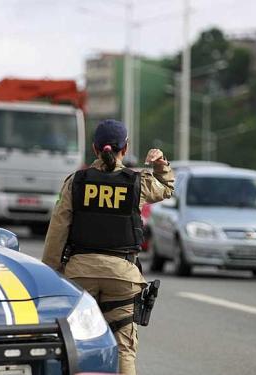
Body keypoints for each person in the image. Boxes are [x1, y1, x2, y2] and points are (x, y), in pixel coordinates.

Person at [41, 119, 175, 375]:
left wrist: (51, 276)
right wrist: (161, 164)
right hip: (123, 276)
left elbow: (58, 231)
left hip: (80, 276)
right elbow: (167, 188)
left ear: (94, 148)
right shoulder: (137, 183)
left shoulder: (76, 182)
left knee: (76, 345)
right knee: (124, 349)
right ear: (125, 148)